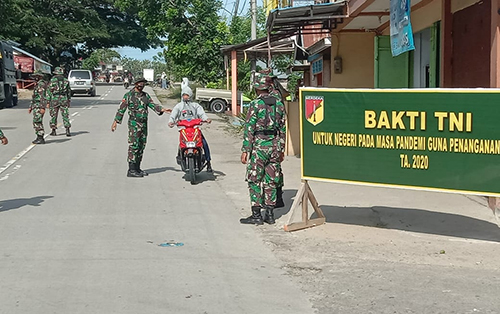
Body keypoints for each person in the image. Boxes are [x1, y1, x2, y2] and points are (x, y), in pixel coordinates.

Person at [240, 72, 286, 225]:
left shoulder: (255, 104)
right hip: (274, 146)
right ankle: (270, 214)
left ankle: (256, 215)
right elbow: (282, 128)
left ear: (258, 88)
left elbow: (249, 128)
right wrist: (281, 149)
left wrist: (246, 150)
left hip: (259, 146)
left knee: (254, 179)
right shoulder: (279, 104)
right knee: (271, 180)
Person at [111, 77, 172, 178]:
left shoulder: (145, 96)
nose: (141, 85)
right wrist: (115, 122)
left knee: (141, 146)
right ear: (135, 84)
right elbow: (121, 109)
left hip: (144, 124)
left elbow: (152, 105)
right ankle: (131, 170)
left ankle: (137, 168)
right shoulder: (129, 96)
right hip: (134, 124)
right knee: (134, 146)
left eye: (143, 83)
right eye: (140, 83)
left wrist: (162, 109)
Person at [168, 86, 213, 172]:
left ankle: (208, 162)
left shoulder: (196, 106)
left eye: (187, 95)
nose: (185, 97)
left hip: (195, 129)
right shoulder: (179, 106)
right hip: (184, 129)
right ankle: (180, 157)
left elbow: (202, 114)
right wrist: (171, 121)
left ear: (190, 95)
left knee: (204, 144)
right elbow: (173, 115)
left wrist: (206, 119)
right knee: (181, 144)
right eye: (184, 95)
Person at [46, 66, 71, 137]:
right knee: (65, 114)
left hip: (55, 98)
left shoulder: (53, 80)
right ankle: (67, 129)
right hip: (64, 98)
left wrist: (48, 101)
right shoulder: (66, 80)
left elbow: (49, 91)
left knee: (54, 115)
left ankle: (53, 130)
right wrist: (69, 100)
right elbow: (69, 91)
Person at [28, 70, 49, 144]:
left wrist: (43, 107)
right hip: (36, 105)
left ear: (40, 76)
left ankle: (40, 137)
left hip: (39, 106)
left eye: (36, 76)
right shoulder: (37, 84)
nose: (35, 78)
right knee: (36, 121)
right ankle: (39, 136)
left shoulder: (41, 84)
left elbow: (43, 97)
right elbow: (34, 96)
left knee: (37, 121)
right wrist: (31, 106)